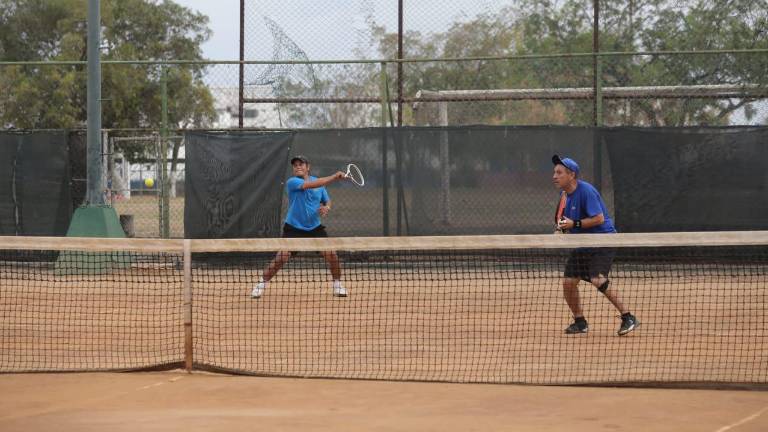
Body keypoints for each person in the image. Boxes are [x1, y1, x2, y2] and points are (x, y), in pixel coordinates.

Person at [552, 155, 639, 336]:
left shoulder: (586, 191)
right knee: (568, 283)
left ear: (572, 175)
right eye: (554, 172)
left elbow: (598, 218)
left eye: (559, 172)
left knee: (597, 278)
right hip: (583, 244)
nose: (554, 176)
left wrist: (573, 224)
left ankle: (628, 317)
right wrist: (562, 230)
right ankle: (580, 322)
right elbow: (564, 222)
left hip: (603, 240)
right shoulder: (564, 196)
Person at [251, 155, 348, 299]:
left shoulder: (319, 184)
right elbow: (310, 185)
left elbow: (327, 200)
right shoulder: (292, 182)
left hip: (315, 228)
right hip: (294, 228)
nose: (298, 167)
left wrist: (326, 207)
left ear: (308, 167)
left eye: (301, 164)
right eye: (295, 165)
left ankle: (338, 284)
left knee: (332, 255)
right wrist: (334, 176)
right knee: (281, 258)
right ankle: (261, 284)